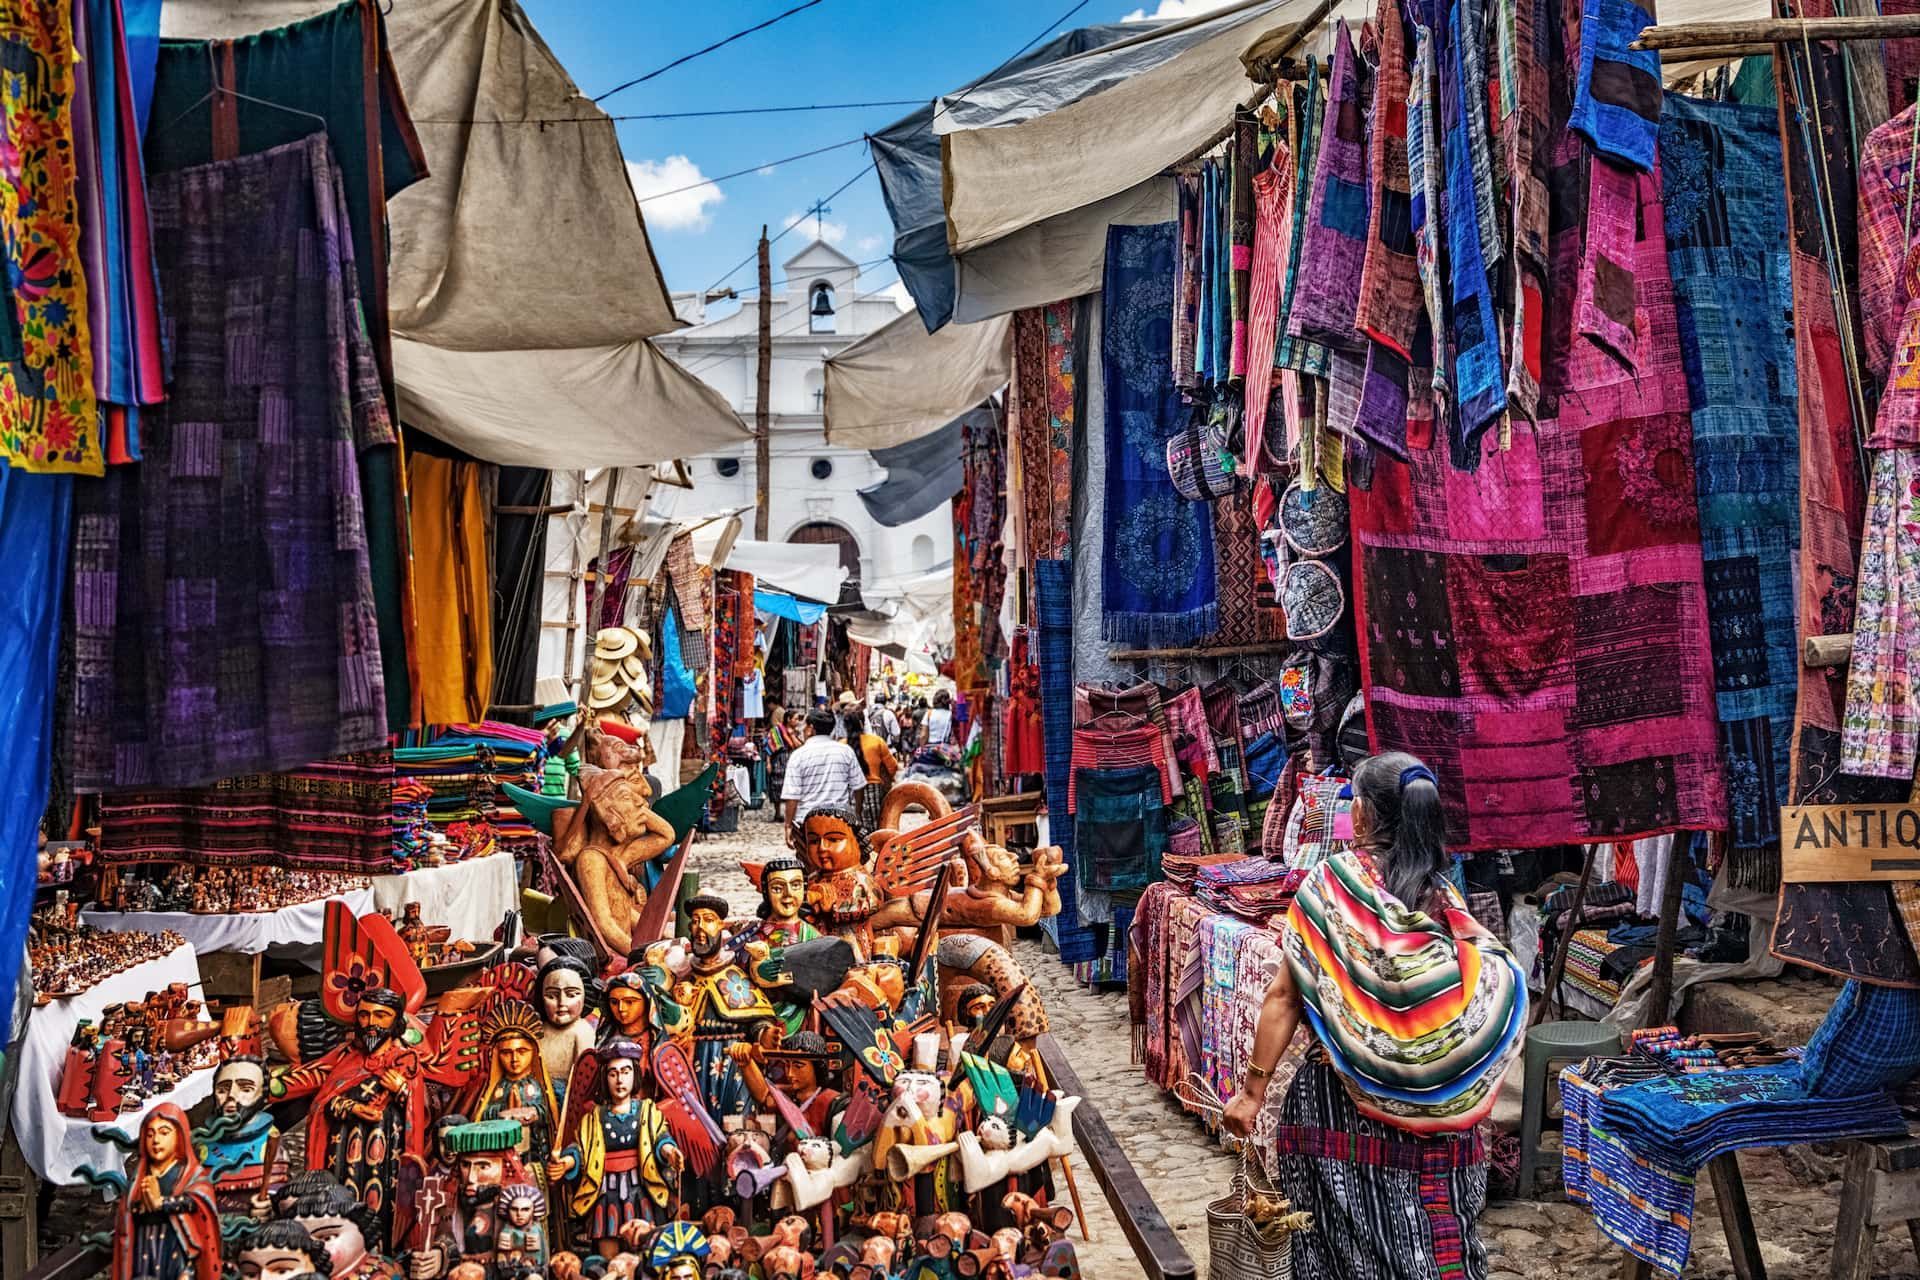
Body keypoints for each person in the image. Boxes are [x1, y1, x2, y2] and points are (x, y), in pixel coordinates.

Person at [1221, 752, 1525, 1280]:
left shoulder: (1333, 885)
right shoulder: (1444, 897)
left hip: (1338, 1108)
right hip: (1443, 1125)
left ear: (1361, 815)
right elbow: (1481, 985)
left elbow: (1284, 998)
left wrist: (1252, 1093)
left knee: (1335, 1248)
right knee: (1437, 1245)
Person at [780, 709, 866, 849]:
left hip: (807, 822)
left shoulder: (798, 756)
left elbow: (792, 795)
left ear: (811, 728)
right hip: (839, 820)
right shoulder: (845, 751)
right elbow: (859, 786)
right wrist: (857, 813)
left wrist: (788, 826)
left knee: (808, 864)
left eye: (804, 724)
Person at [843, 709, 898, 831]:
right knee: (874, 829)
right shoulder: (876, 741)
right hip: (873, 790)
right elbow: (892, 767)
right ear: (863, 723)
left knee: (851, 829)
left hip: (848, 792)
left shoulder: (841, 745)